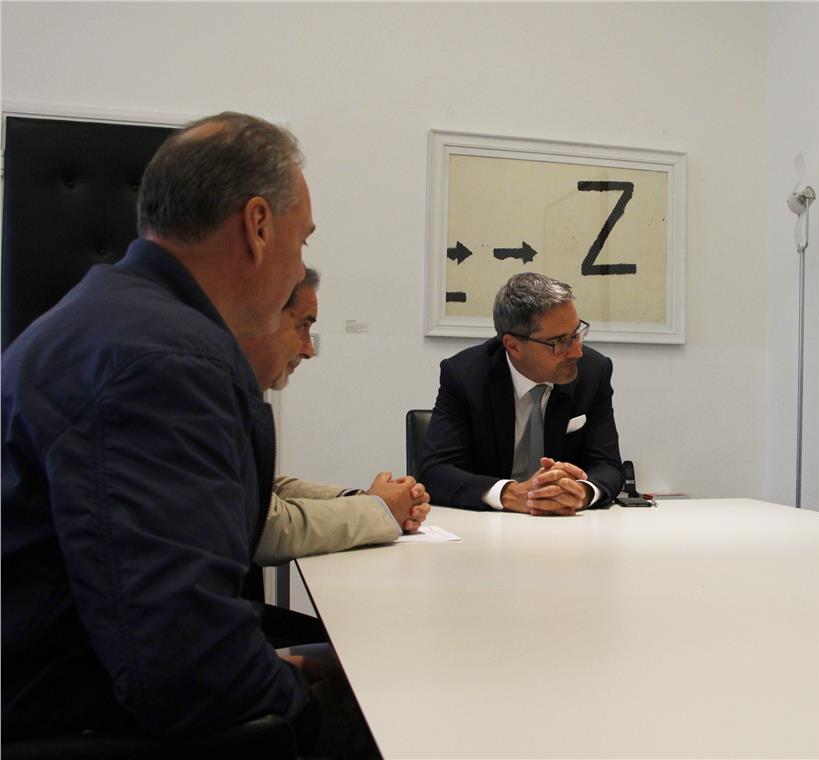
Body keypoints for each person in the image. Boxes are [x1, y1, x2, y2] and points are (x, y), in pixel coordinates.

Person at [1, 112, 362, 755]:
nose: (297, 271)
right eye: (302, 242)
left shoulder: (109, 315)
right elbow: (187, 666)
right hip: (71, 713)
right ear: (257, 226)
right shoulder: (165, 362)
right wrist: (300, 698)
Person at [239, 267, 431, 564]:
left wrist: (365, 500)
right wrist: (379, 510)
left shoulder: (232, 386)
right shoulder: (202, 380)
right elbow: (267, 527)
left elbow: (268, 488)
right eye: (302, 326)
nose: (309, 350)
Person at [420, 272, 623, 515]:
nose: (576, 352)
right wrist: (510, 494)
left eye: (576, 334)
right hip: (487, 527)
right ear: (513, 346)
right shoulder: (465, 375)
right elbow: (435, 471)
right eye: (559, 342)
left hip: (566, 526)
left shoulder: (593, 371)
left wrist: (582, 491)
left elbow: (608, 465)